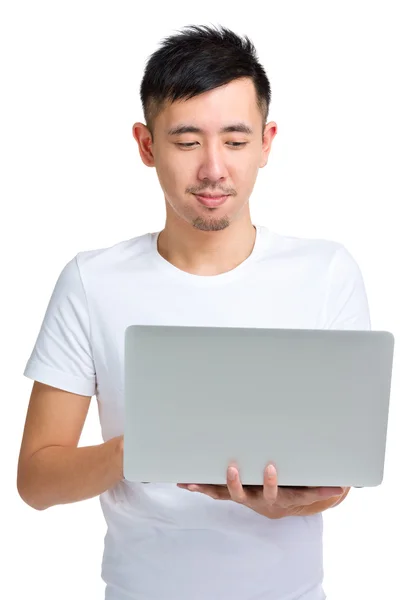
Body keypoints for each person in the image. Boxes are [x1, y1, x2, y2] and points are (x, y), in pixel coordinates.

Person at [17, 24, 371, 600]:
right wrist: (141, 449)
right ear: (146, 145)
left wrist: (288, 503)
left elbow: (339, 475)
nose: (213, 169)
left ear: (267, 142)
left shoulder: (326, 272)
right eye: (186, 142)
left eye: (235, 141)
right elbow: (36, 480)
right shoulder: (91, 281)